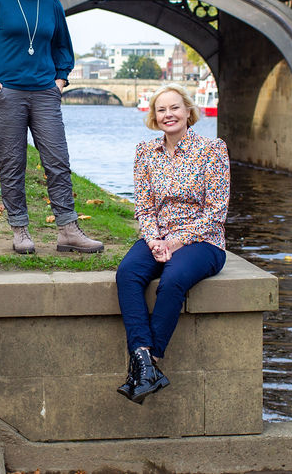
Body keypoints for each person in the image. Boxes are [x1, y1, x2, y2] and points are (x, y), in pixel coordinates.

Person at [0, 0, 103, 255]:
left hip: (44, 92)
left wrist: (59, 79)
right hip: (7, 93)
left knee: (57, 161)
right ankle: (20, 230)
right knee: (13, 163)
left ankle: (68, 230)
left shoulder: (52, 6)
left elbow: (62, 49)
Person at [114, 83, 229, 404]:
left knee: (173, 279)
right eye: (161, 110)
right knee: (127, 273)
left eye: (175, 108)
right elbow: (144, 206)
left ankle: (149, 362)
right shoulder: (144, 153)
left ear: (189, 111)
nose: (169, 115)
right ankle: (143, 360)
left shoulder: (212, 149)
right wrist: (153, 239)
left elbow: (217, 211)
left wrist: (175, 242)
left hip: (203, 240)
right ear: (154, 116)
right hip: (158, 237)